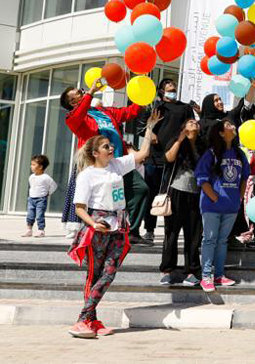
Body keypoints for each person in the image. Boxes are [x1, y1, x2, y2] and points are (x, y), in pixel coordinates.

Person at [66, 114, 156, 338]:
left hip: (118, 225)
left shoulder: (117, 165)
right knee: (95, 275)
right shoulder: (87, 175)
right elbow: (79, 207)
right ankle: (85, 319)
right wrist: (93, 223)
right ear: (96, 153)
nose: (111, 148)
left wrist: (149, 129)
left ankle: (89, 318)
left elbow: (143, 155)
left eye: (111, 145)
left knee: (109, 273)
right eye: (106, 146)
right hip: (98, 224)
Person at [61, 80, 148, 246]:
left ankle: (133, 232)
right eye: (79, 92)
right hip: (97, 165)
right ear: (73, 102)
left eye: (82, 90)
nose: (83, 91)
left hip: (117, 162)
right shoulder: (73, 118)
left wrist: (141, 95)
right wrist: (91, 92)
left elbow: (129, 112)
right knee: (99, 200)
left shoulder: (104, 112)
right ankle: (94, 229)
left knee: (141, 189)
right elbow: (77, 116)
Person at [136, 78, 196, 242]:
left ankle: (173, 230)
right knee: (152, 194)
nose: (172, 89)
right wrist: (150, 133)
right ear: (161, 91)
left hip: (175, 158)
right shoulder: (155, 106)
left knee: (173, 196)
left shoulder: (185, 108)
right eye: (169, 87)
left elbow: (191, 126)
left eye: (174, 86)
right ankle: (149, 229)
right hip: (154, 158)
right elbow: (140, 127)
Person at [195, 119, 250, 293]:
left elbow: (244, 178)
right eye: (228, 126)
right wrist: (214, 197)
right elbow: (201, 179)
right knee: (209, 240)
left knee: (222, 241)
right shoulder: (211, 154)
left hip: (231, 207)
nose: (233, 127)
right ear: (220, 133)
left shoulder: (240, 154)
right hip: (211, 206)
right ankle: (206, 277)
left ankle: (219, 275)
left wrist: (239, 199)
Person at [159, 119, 204, 286]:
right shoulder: (177, 140)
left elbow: (204, 165)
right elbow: (169, 158)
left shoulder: (201, 144)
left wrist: (192, 143)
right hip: (176, 192)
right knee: (171, 233)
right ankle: (167, 270)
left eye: (196, 123)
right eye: (190, 122)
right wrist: (180, 139)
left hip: (195, 194)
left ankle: (191, 271)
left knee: (193, 234)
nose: (194, 124)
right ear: (183, 127)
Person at [25, 154, 58, 238]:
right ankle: (29, 230)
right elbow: (32, 186)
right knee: (30, 215)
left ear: (40, 167)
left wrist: (48, 193)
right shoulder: (31, 177)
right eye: (31, 164)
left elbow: (54, 186)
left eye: (33, 165)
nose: (31, 166)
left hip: (41, 199)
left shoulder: (46, 177)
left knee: (39, 215)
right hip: (31, 199)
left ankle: (41, 231)